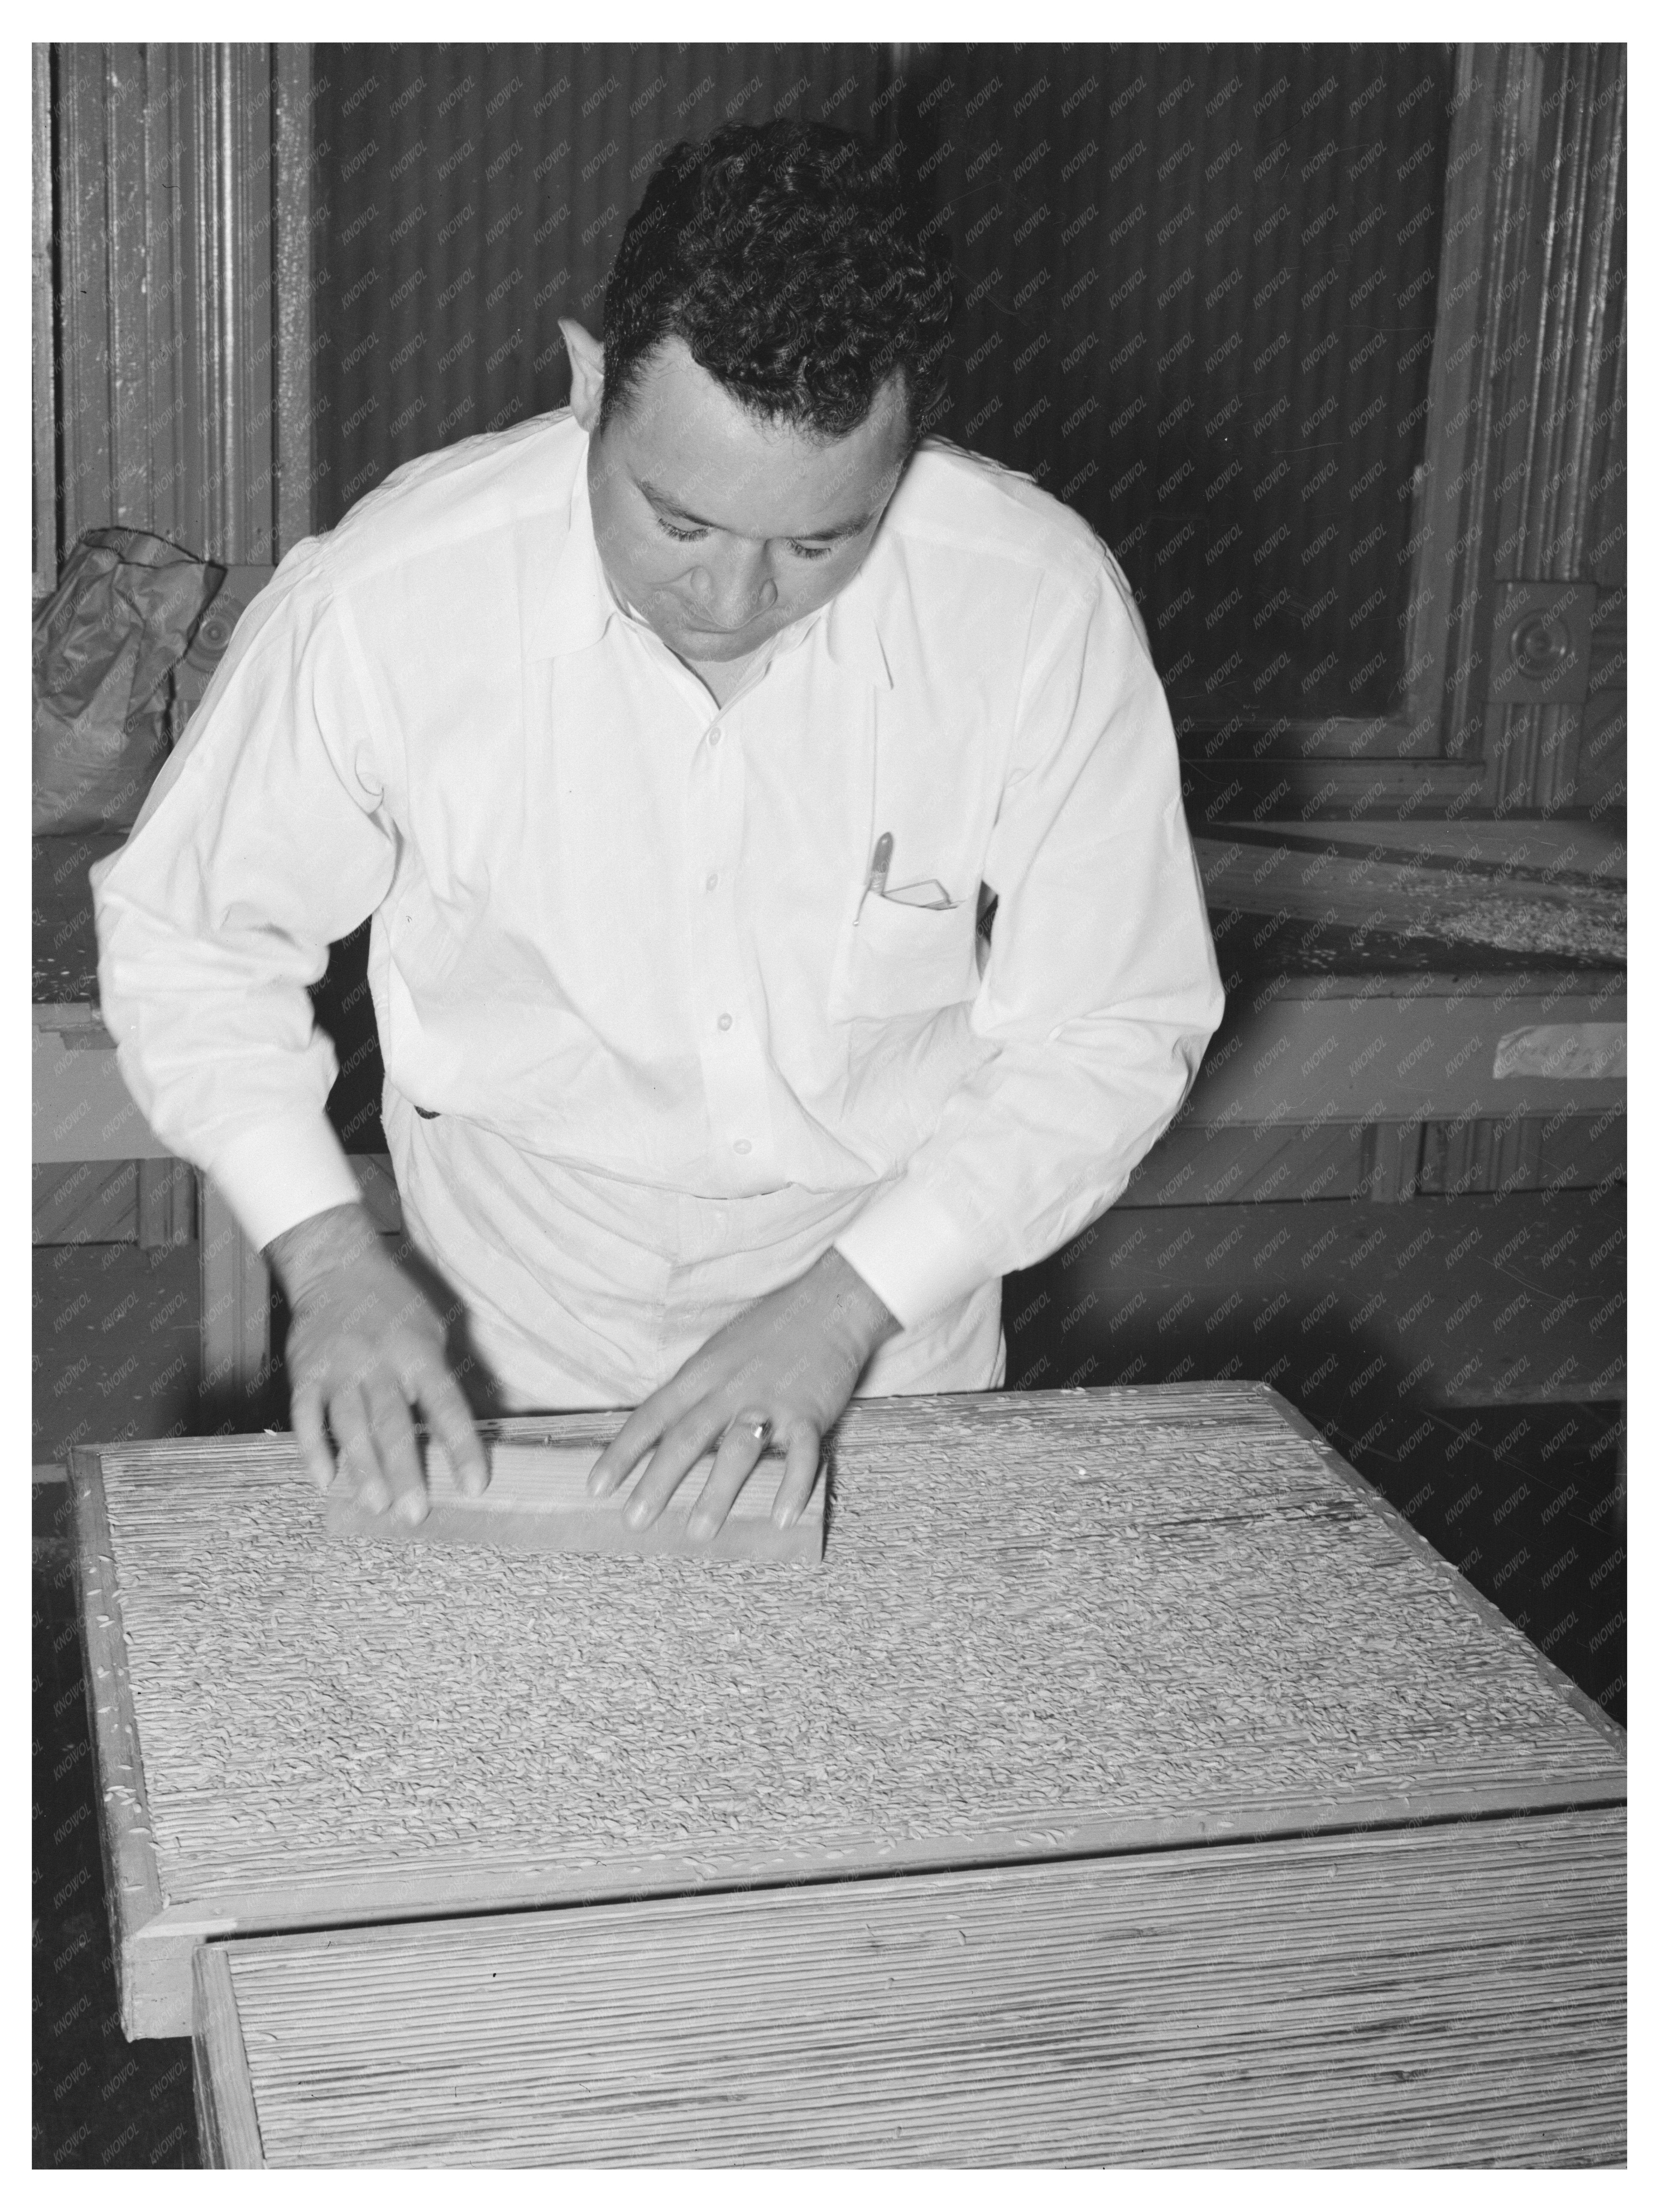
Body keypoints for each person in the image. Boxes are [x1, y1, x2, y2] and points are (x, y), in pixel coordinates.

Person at [93, 120, 1223, 1540]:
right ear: (585, 384)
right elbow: (190, 936)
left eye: (821, 542)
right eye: (679, 519)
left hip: (887, 1330)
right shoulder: (393, 598)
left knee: (882, 1737)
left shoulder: (1032, 609)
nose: (736, 598)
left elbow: (1112, 1027)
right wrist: (326, 1261)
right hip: (504, 1332)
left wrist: (836, 1315)